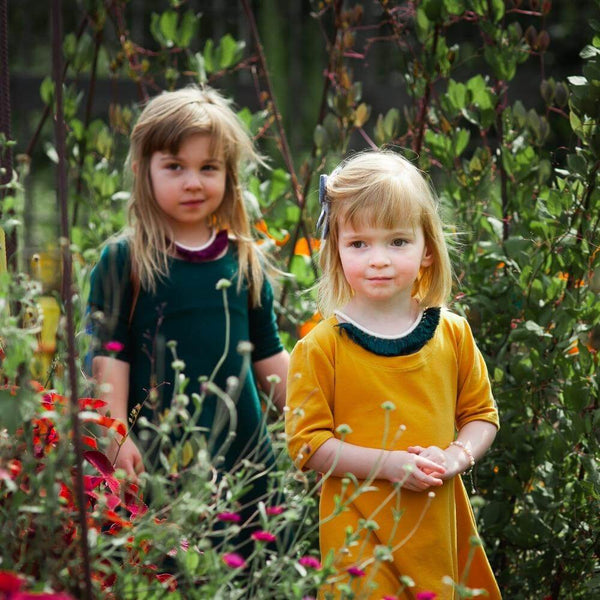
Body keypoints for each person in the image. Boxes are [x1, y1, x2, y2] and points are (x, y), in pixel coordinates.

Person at [285, 150, 501, 599]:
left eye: (398, 242)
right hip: (358, 533)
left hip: (435, 525)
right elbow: (309, 444)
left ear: (426, 249)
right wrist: (389, 466)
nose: (378, 259)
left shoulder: (452, 333)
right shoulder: (322, 347)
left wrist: (456, 456)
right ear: (336, 251)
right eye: (359, 243)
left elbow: (481, 414)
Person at [87, 85, 289, 547]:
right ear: (143, 172)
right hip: (156, 452)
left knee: (250, 568)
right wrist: (116, 437)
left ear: (228, 176)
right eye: (175, 166)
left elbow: (270, 357)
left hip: (243, 458)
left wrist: (316, 423)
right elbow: (108, 356)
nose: (193, 182)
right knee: (164, 566)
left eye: (208, 168)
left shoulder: (243, 261)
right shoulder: (127, 259)